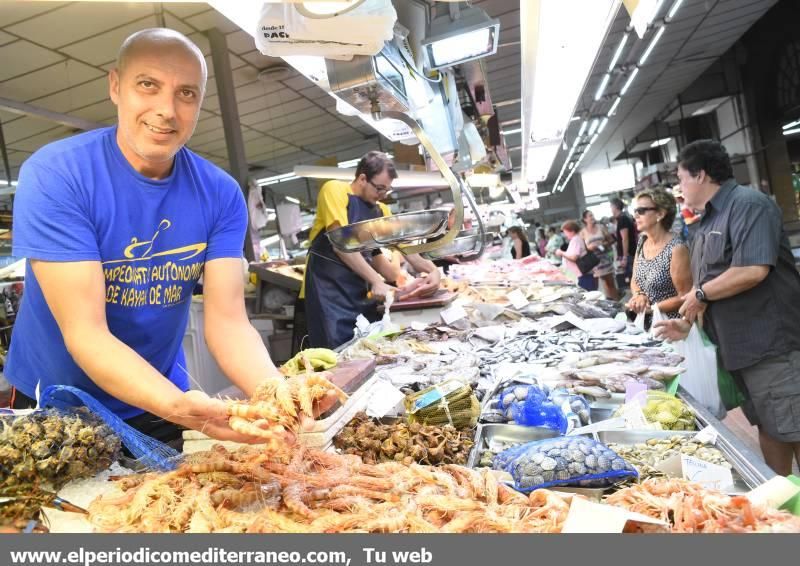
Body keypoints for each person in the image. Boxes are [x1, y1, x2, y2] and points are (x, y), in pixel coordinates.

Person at [4, 29, 335, 446]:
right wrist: (181, 408)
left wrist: (277, 393)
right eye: (148, 85)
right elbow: (86, 333)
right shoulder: (58, 175)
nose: (167, 110)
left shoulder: (220, 194)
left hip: (157, 393)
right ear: (115, 86)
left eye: (186, 93)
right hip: (57, 402)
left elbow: (229, 322)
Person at [654, 139, 800, 475]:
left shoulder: (749, 206)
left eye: (681, 178)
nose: (680, 187)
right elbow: (710, 286)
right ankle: (779, 502)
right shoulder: (705, 223)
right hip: (740, 351)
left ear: (701, 174)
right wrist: (689, 323)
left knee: (794, 427)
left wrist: (699, 295)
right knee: (770, 426)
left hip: (772, 347)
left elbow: (752, 270)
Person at [302, 152, 441, 349]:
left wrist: (432, 271)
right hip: (328, 290)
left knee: (366, 346)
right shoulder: (334, 190)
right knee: (336, 351)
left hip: (358, 290)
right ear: (362, 178)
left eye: (387, 190)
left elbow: (404, 246)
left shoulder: (381, 210)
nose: (382, 195)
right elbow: (341, 244)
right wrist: (376, 280)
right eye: (379, 188)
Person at [626, 189, 692, 321]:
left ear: (660, 214)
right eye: (635, 211)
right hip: (646, 323)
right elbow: (635, 279)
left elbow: (685, 296)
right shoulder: (642, 241)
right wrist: (639, 295)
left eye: (641, 211)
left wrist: (653, 308)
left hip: (671, 326)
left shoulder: (676, 249)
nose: (636, 216)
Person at [580, 210, 619, 300]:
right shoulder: (583, 232)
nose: (592, 217)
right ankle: (609, 303)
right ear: (585, 219)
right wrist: (589, 248)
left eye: (593, 215)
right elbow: (582, 248)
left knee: (610, 283)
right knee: (598, 286)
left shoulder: (601, 227)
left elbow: (612, 240)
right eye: (590, 216)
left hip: (605, 259)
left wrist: (603, 244)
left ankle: (617, 303)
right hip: (594, 262)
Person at [556, 220, 596, 291]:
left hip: (582, 275)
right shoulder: (575, 239)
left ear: (571, 231)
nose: (565, 235)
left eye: (565, 232)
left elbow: (574, 257)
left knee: (586, 295)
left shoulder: (576, 240)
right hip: (580, 275)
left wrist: (561, 253)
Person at [611, 197, 637, 289]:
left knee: (631, 280)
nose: (611, 209)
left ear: (615, 207)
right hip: (630, 253)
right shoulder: (624, 218)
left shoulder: (622, 219)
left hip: (628, 254)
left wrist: (625, 257)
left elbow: (625, 239)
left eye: (611, 206)